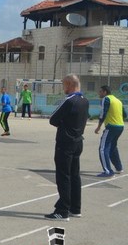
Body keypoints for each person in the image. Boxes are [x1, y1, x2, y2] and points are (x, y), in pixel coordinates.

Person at [45, 74, 89, 221]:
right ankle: (75, 208)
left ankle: (62, 210)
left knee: (63, 176)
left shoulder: (69, 101)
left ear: (70, 84)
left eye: (64, 85)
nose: (63, 88)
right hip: (78, 141)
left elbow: (53, 119)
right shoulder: (84, 100)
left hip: (65, 142)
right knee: (75, 175)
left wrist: (63, 124)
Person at [94, 85, 125, 177]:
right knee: (112, 147)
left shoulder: (106, 99)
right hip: (120, 126)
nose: (99, 93)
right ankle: (119, 168)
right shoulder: (118, 100)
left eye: (100, 91)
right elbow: (125, 114)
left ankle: (108, 171)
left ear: (105, 92)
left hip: (111, 127)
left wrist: (98, 127)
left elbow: (103, 113)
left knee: (103, 148)